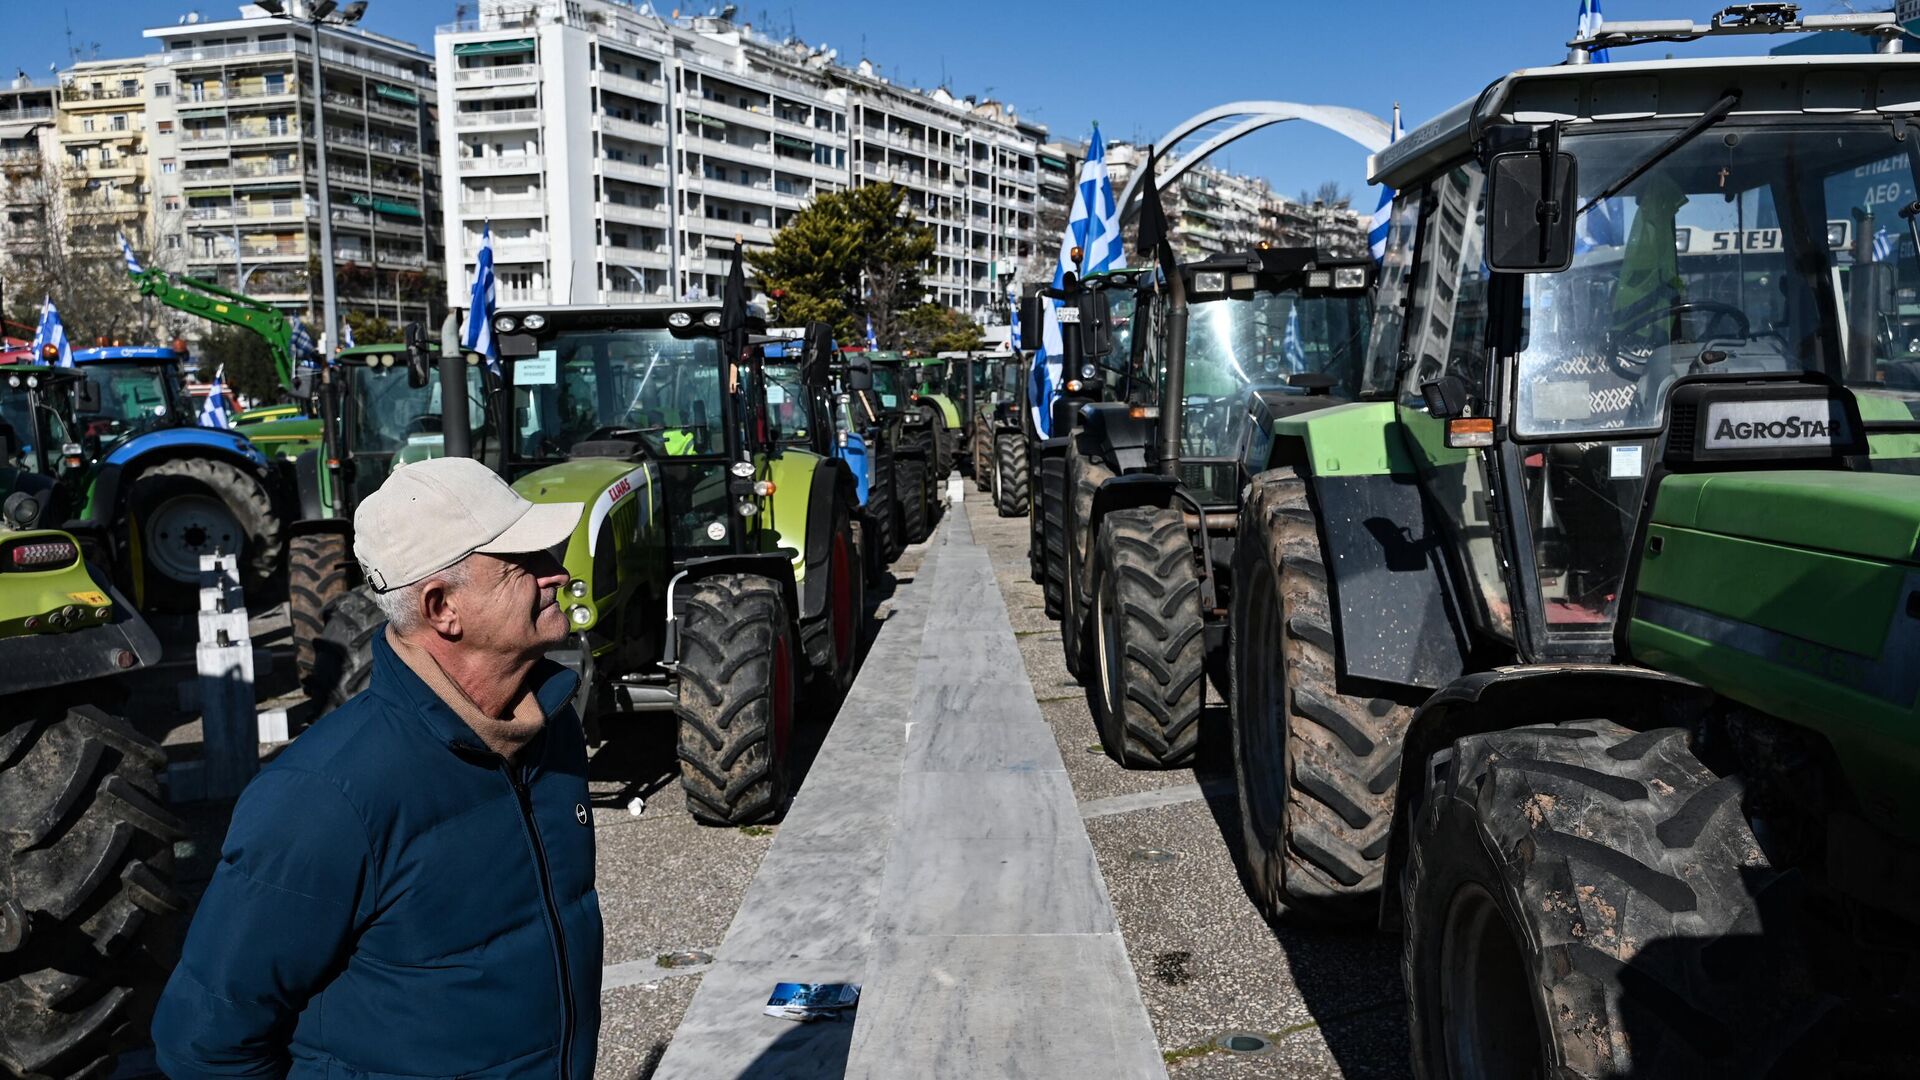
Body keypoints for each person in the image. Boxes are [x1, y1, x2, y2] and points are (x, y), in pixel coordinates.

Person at [152, 457, 603, 1078]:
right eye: (524, 564)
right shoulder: (322, 799)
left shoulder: (550, 729)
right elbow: (204, 1042)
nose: (558, 574)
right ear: (443, 607)